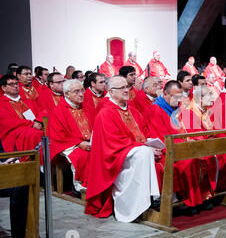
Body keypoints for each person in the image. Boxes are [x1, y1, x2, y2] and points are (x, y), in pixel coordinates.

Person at [85, 76, 161, 222]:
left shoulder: (132, 110)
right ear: (111, 92)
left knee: (157, 152)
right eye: (122, 88)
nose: (127, 90)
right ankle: (142, 203)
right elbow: (113, 143)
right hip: (116, 158)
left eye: (127, 86)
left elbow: (143, 133)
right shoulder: (106, 113)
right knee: (144, 153)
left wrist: (150, 144)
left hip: (133, 152)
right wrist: (145, 147)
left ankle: (157, 198)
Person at [145, 81, 211, 210]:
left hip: (183, 148)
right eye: (175, 96)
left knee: (206, 157)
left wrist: (195, 140)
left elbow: (194, 130)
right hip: (166, 152)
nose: (178, 100)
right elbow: (162, 138)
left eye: (180, 97)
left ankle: (202, 197)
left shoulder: (179, 110)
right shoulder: (155, 111)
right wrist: (186, 143)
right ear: (165, 93)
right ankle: (187, 200)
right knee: (188, 162)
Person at [48, 79, 96, 194]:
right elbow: (58, 136)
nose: (81, 94)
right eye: (76, 91)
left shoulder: (88, 107)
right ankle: (79, 185)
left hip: (89, 142)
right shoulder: (58, 111)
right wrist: (79, 143)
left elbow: (97, 126)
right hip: (68, 145)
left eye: (82, 91)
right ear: (67, 94)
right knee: (82, 155)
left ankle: (99, 182)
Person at [0, 75, 43, 153]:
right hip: (15, 132)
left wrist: (39, 121)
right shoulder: (1, 103)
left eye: (17, 83)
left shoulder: (28, 101)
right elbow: (8, 121)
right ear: (3, 88)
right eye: (11, 84)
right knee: (34, 134)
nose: (16, 86)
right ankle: (36, 163)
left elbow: (43, 111)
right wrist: (32, 124)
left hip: (36, 126)